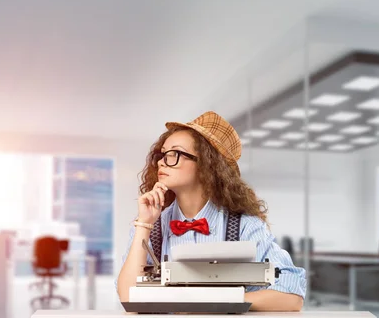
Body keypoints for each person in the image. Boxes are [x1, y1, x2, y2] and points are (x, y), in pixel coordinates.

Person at [116, 111, 306, 311]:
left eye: (175, 154)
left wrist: (219, 300)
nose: (162, 161)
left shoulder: (245, 226)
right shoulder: (150, 225)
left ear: (207, 165)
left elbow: (292, 297)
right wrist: (144, 223)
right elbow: (128, 296)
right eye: (162, 154)